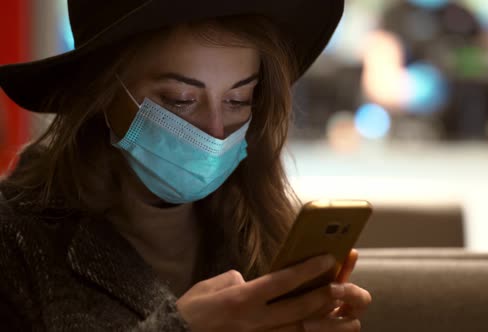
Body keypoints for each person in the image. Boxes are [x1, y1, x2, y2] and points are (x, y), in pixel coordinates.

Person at [0, 1, 371, 331]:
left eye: (237, 99)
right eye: (180, 100)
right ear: (103, 91)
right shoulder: (16, 240)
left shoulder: (259, 223)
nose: (214, 132)